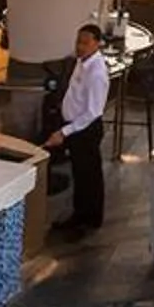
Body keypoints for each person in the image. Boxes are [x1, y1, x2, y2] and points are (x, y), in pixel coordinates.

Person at [42, 23, 110, 238]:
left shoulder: (97, 73)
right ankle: (79, 216)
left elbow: (92, 112)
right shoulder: (82, 62)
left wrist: (65, 132)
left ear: (97, 44)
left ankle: (88, 221)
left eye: (85, 42)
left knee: (88, 176)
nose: (79, 46)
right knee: (80, 174)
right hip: (74, 127)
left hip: (85, 130)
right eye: (78, 41)